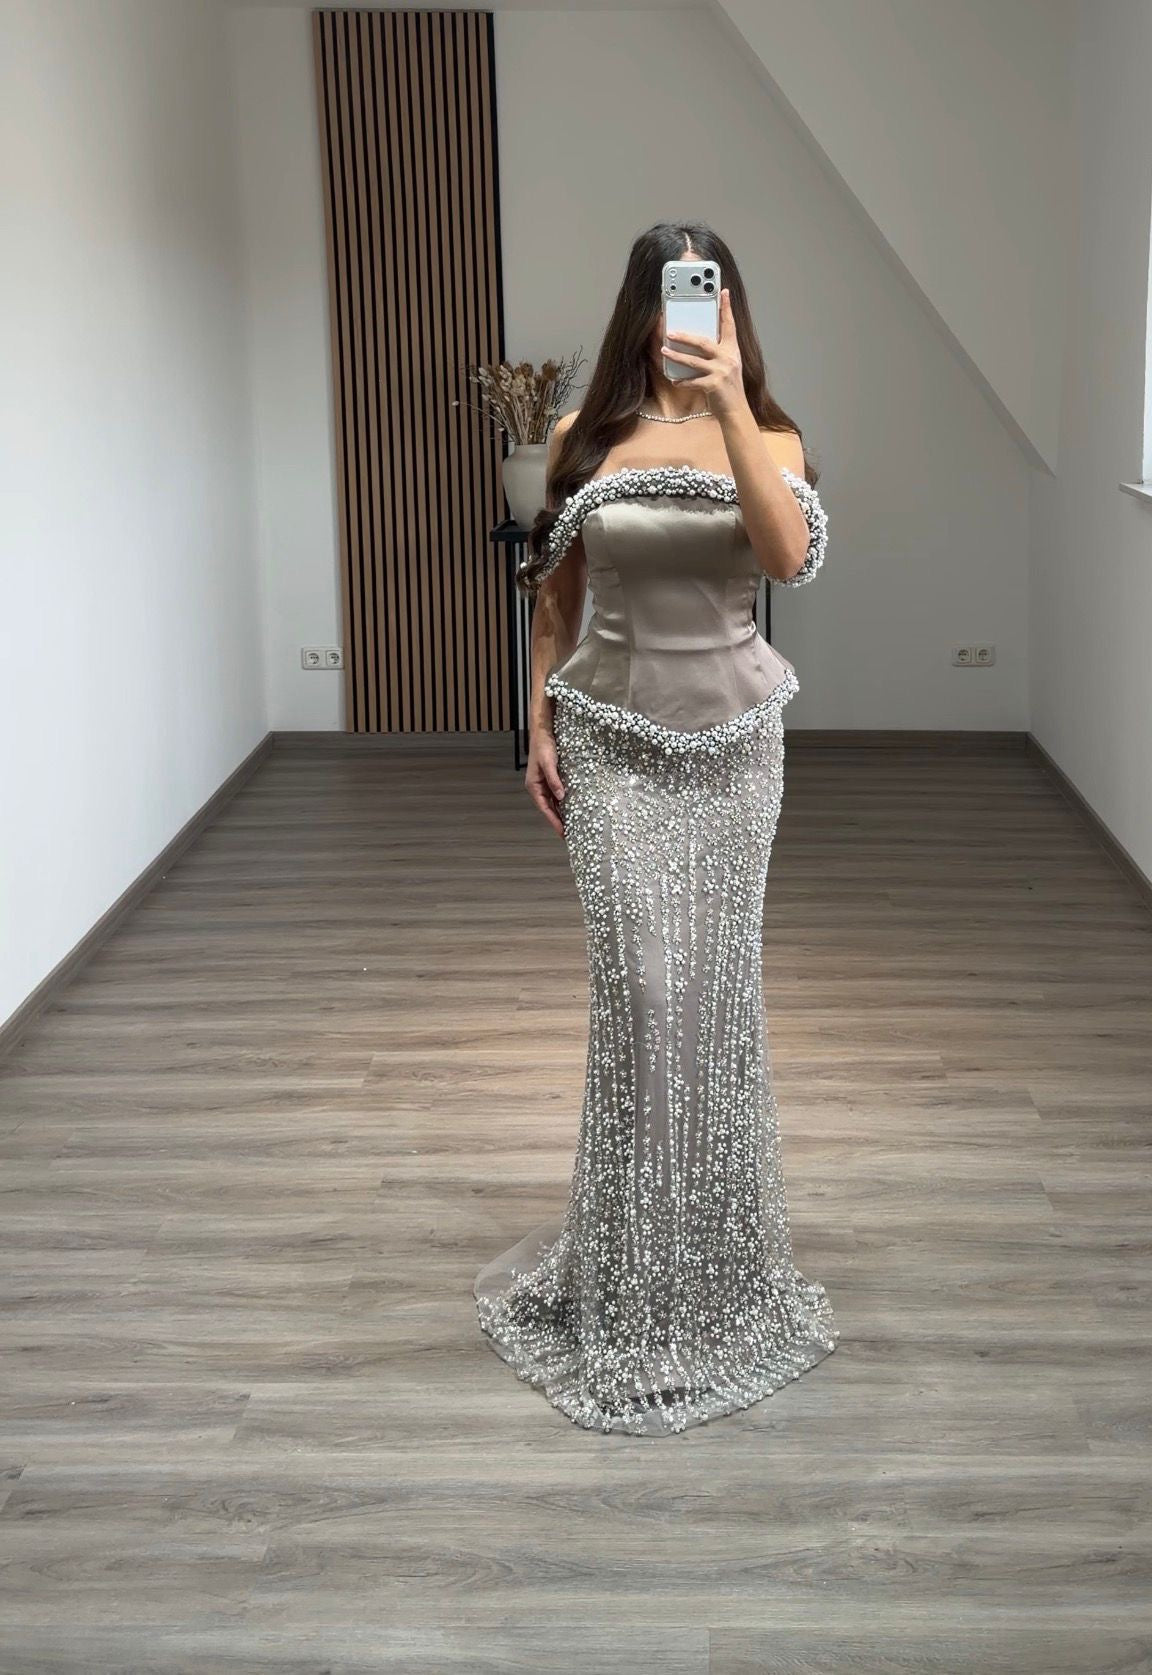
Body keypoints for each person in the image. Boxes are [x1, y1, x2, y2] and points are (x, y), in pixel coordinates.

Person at [474, 222, 838, 1435]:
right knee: (642, 996)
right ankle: (630, 1285)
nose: (694, 312)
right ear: (646, 305)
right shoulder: (586, 438)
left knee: (716, 1002)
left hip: (736, 750)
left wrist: (728, 399)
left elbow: (786, 556)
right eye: (678, 293)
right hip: (613, 745)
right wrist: (536, 723)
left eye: (711, 292)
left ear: (730, 307)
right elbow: (556, 600)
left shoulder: (772, 436)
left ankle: (720, 1276)